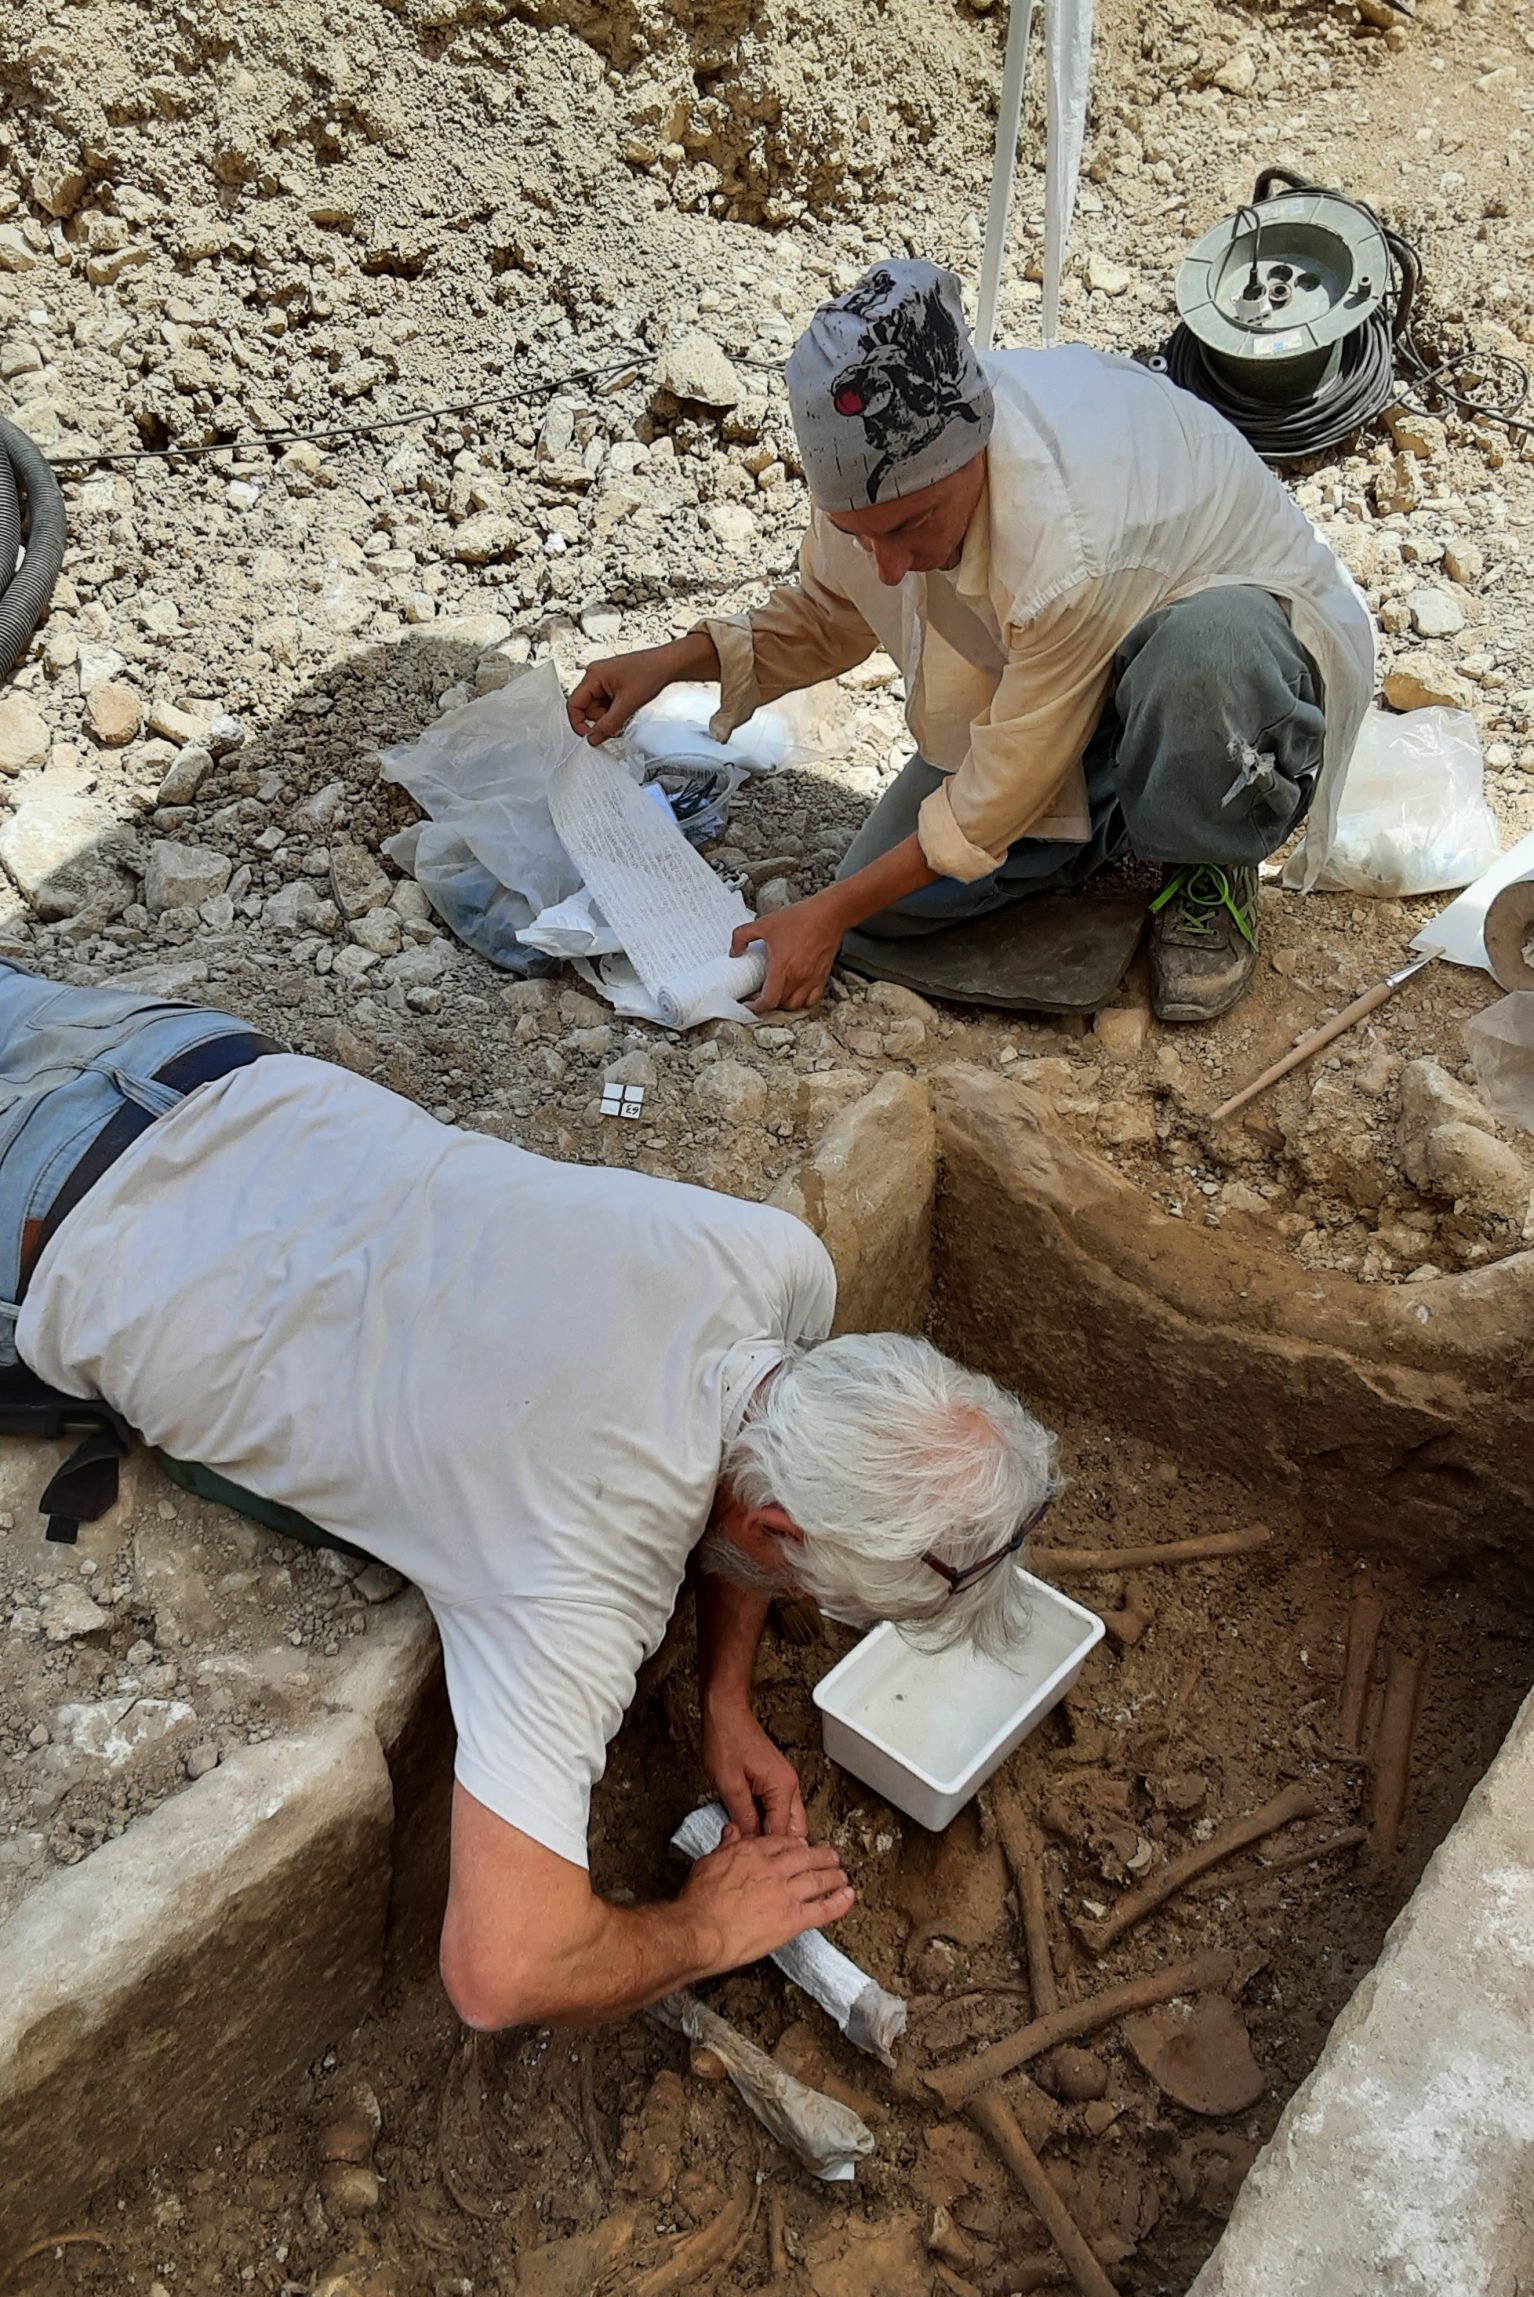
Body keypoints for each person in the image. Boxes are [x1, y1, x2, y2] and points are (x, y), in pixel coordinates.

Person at [1, 962, 1058, 2029]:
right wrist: (707, 1927)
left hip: (193, 1062)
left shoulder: (776, 1265)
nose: (802, 1600)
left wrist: (723, 1694)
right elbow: (501, 1973)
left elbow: (758, 1469)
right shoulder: (578, 1589)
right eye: (817, 1594)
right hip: (46, 1223)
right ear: (776, 1530)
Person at [570, 258, 1376, 1025]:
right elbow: (827, 615)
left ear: (974, 452)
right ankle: (1125, 805)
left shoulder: (1066, 540)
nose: (887, 566)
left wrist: (826, 914)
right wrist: (673, 662)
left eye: (908, 527)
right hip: (1067, 659)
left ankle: (1207, 850)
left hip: (1228, 646)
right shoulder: (867, 480)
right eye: (859, 533)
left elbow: (988, 804)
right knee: (888, 912)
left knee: (1208, 653)